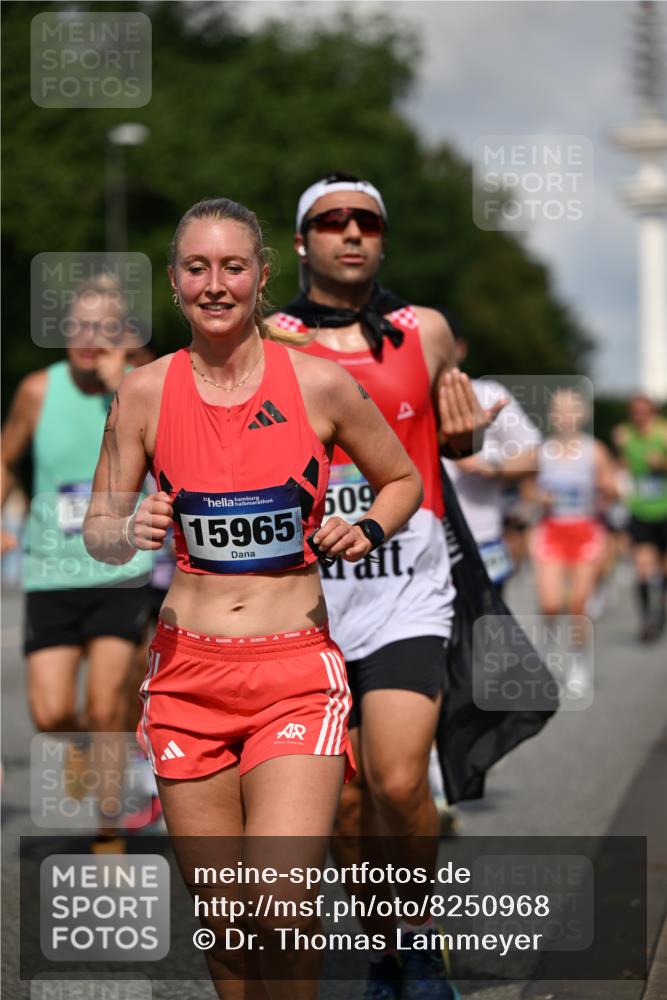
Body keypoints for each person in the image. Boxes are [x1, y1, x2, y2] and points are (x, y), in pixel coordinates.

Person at [83, 196, 423, 1000]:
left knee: (280, 903)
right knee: (226, 912)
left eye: (232, 267)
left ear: (262, 277)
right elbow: (97, 525)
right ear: (173, 282)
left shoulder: (319, 384)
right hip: (185, 678)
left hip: (293, 673)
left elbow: (402, 478)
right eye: (196, 268)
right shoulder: (142, 390)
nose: (214, 284)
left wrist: (368, 527)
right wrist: (130, 526)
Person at [271, 172, 505, 1000]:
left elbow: (454, 444)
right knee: (343, 801)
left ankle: (418, 940)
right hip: (306, 596)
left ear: (382, 237)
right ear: (301, 242)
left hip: (409, 583)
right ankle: (385, 949)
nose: (350, 233)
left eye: (365, 221)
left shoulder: (424, 333)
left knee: (400, 780)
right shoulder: (266, 340)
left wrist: (468, 439)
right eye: (330, 221)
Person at [0, 276, 153, 850]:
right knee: (52, 710)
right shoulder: (38, 391)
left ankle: (107, 831)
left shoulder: (147, 386)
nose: (91, 339)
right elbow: (6, 458)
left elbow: (177, 463)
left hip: (120, 570)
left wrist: (124, 387)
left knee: (106, 700)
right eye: (80, 327)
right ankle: (85, 749)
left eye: (105, 328)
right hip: (50, 572)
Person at [441, 331, 541, 598]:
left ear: (460, 348)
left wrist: (491, 467)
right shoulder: (401, 394)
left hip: (484, 539)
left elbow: (533, 457)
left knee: (483, 629)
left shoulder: (488, 394)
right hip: (422, 544)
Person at [529, 388, 617, 691]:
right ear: (551, 416)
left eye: (571, 410)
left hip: (585, 532)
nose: (565, 416)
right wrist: (540, 497)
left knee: (578, 605)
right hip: (551, 531)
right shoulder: (542, 451)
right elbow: (528, 490)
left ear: (582, 415)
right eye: (559, 410)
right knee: (551, 604)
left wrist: (606, 488)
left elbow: (614, 488)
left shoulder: (595, 450)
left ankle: (578, 662)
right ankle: (548, 654)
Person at [613, 394, 667, 641]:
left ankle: (661, 612)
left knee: (664, 570)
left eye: (644, 412)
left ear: (652, 412)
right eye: (635, 412)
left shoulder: (663, 433)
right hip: (640, 511)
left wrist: (662, 464)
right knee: (643, 569)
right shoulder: (624, 435)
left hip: (665, 511)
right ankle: (647, 620)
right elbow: (623, 465)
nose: (640, 417)